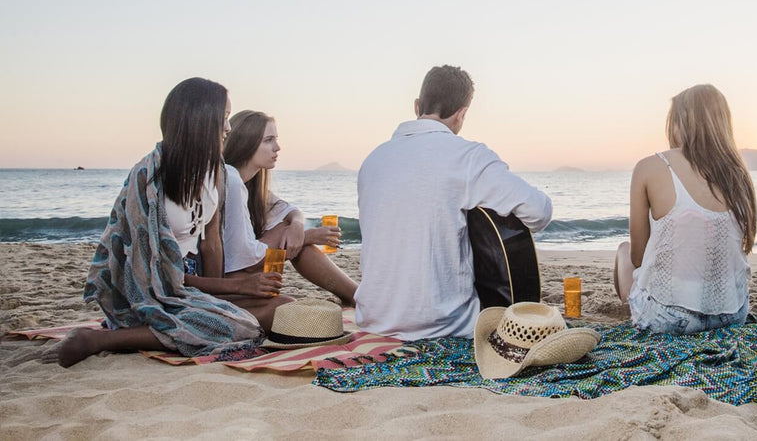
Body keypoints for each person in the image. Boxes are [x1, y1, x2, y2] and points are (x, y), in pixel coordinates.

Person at [46, 78, 286, 368]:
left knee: (283, 309)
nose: (228, 128)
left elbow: (212, 244)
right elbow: (144, 274)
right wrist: (237, 290)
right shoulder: (149, 179)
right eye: (223, 118)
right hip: (148, 289)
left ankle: (197, 318)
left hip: (193, 284)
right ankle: (98, 340)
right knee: (237, 327)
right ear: (199, 120)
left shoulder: (217, 172)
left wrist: (228, 293)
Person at [355, 65, 553, 340]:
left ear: (416, 106)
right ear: (461, 114)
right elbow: (539, 212)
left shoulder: (373, 160)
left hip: (373, 321)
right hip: (445, 326)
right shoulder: (468, 157)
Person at [613, 84, 757, 334]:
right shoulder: (737, 173)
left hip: (668, 319)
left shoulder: (650, 166)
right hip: (733, 316)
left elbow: (638, 258)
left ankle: (634, 316)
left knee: (624, 252)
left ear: (680, 122)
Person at [221, 110, 358, 304]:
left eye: (275, 139)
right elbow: (246, 258)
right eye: (268, 140)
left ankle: (356, 296)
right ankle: (358, 296)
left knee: (286, 228)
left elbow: (290, 210)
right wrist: (306, 237)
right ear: (246, 143)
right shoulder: (231, 180)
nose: (277, 147)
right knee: (284, 235)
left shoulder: (250, 184)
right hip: (228, 282)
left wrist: (296, 226)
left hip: (244, 275)